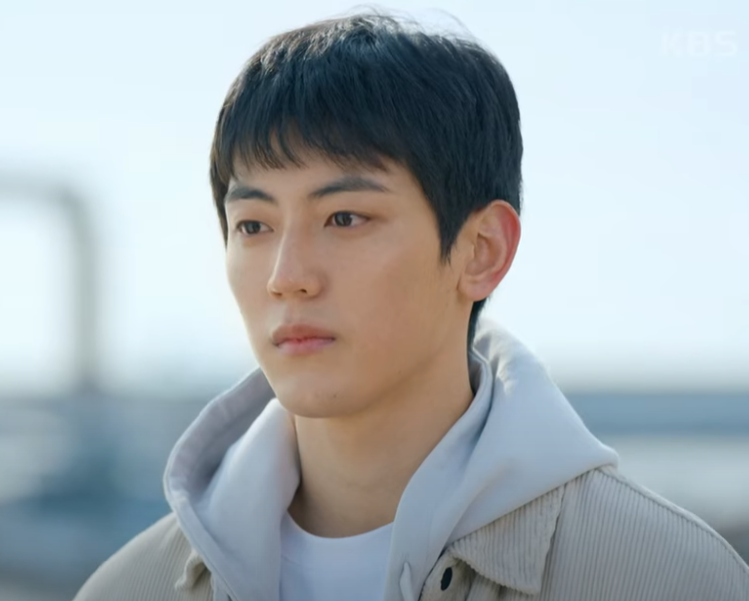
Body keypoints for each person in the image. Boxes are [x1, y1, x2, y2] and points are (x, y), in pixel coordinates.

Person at [74, 12, 749, 601]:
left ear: (480, 250)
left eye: (344, 218)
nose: (286, 277)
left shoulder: (668, 578)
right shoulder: (126, 588)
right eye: (253, 225)